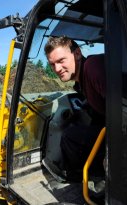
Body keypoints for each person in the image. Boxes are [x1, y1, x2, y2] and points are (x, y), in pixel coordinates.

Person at [44, 36, 105, 181]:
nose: (57, 69)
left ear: (77, 54)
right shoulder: (80, 82)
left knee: (70, 135)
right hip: (115, 129)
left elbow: (126, 112)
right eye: (52, 64)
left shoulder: (92, 67)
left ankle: (89, 177)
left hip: (126, 135)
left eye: (61, 61)